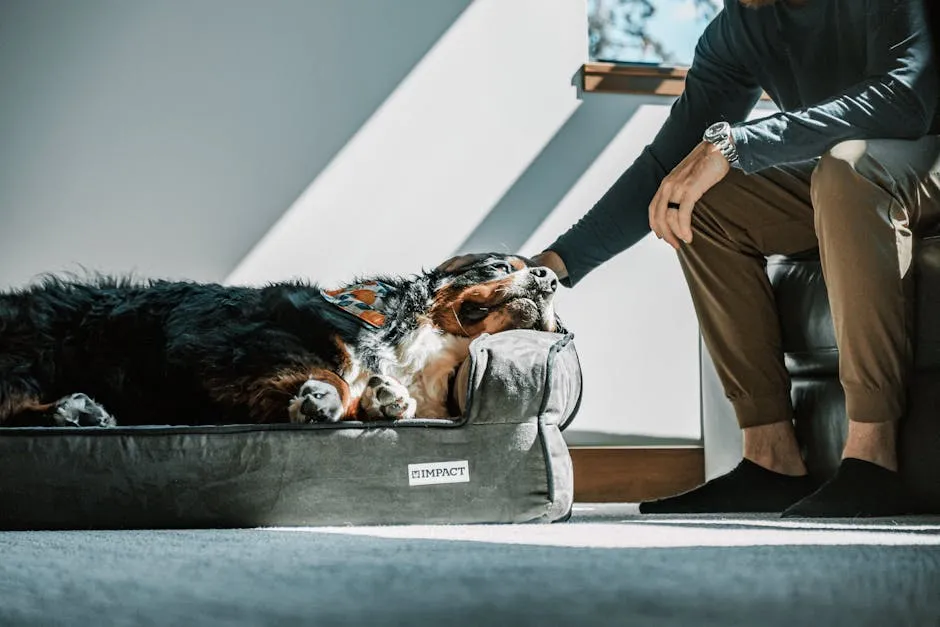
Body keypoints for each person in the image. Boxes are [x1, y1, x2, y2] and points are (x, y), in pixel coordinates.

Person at [440, 0, 939, 517]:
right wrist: (548, 266)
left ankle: (873, 460)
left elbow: (905, 100)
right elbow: (665, 163)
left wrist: (739, 142)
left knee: (844, 169)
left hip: (926, 155)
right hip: (851, 180)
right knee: (694, 199)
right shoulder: (740, 27)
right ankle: (771, 461)